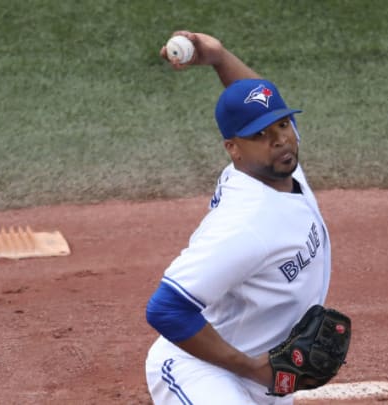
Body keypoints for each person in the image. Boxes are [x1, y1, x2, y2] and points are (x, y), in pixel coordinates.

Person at [145, 31, 332, 405]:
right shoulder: (245, 224)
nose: (279, 139)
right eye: (260, 135)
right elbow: (166, 308)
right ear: (233, 149)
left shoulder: (282, 169)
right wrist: (250, 368)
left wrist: (218, 56)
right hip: (203, 369)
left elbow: (257, 99)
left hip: (262, 376)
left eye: (282, 125)